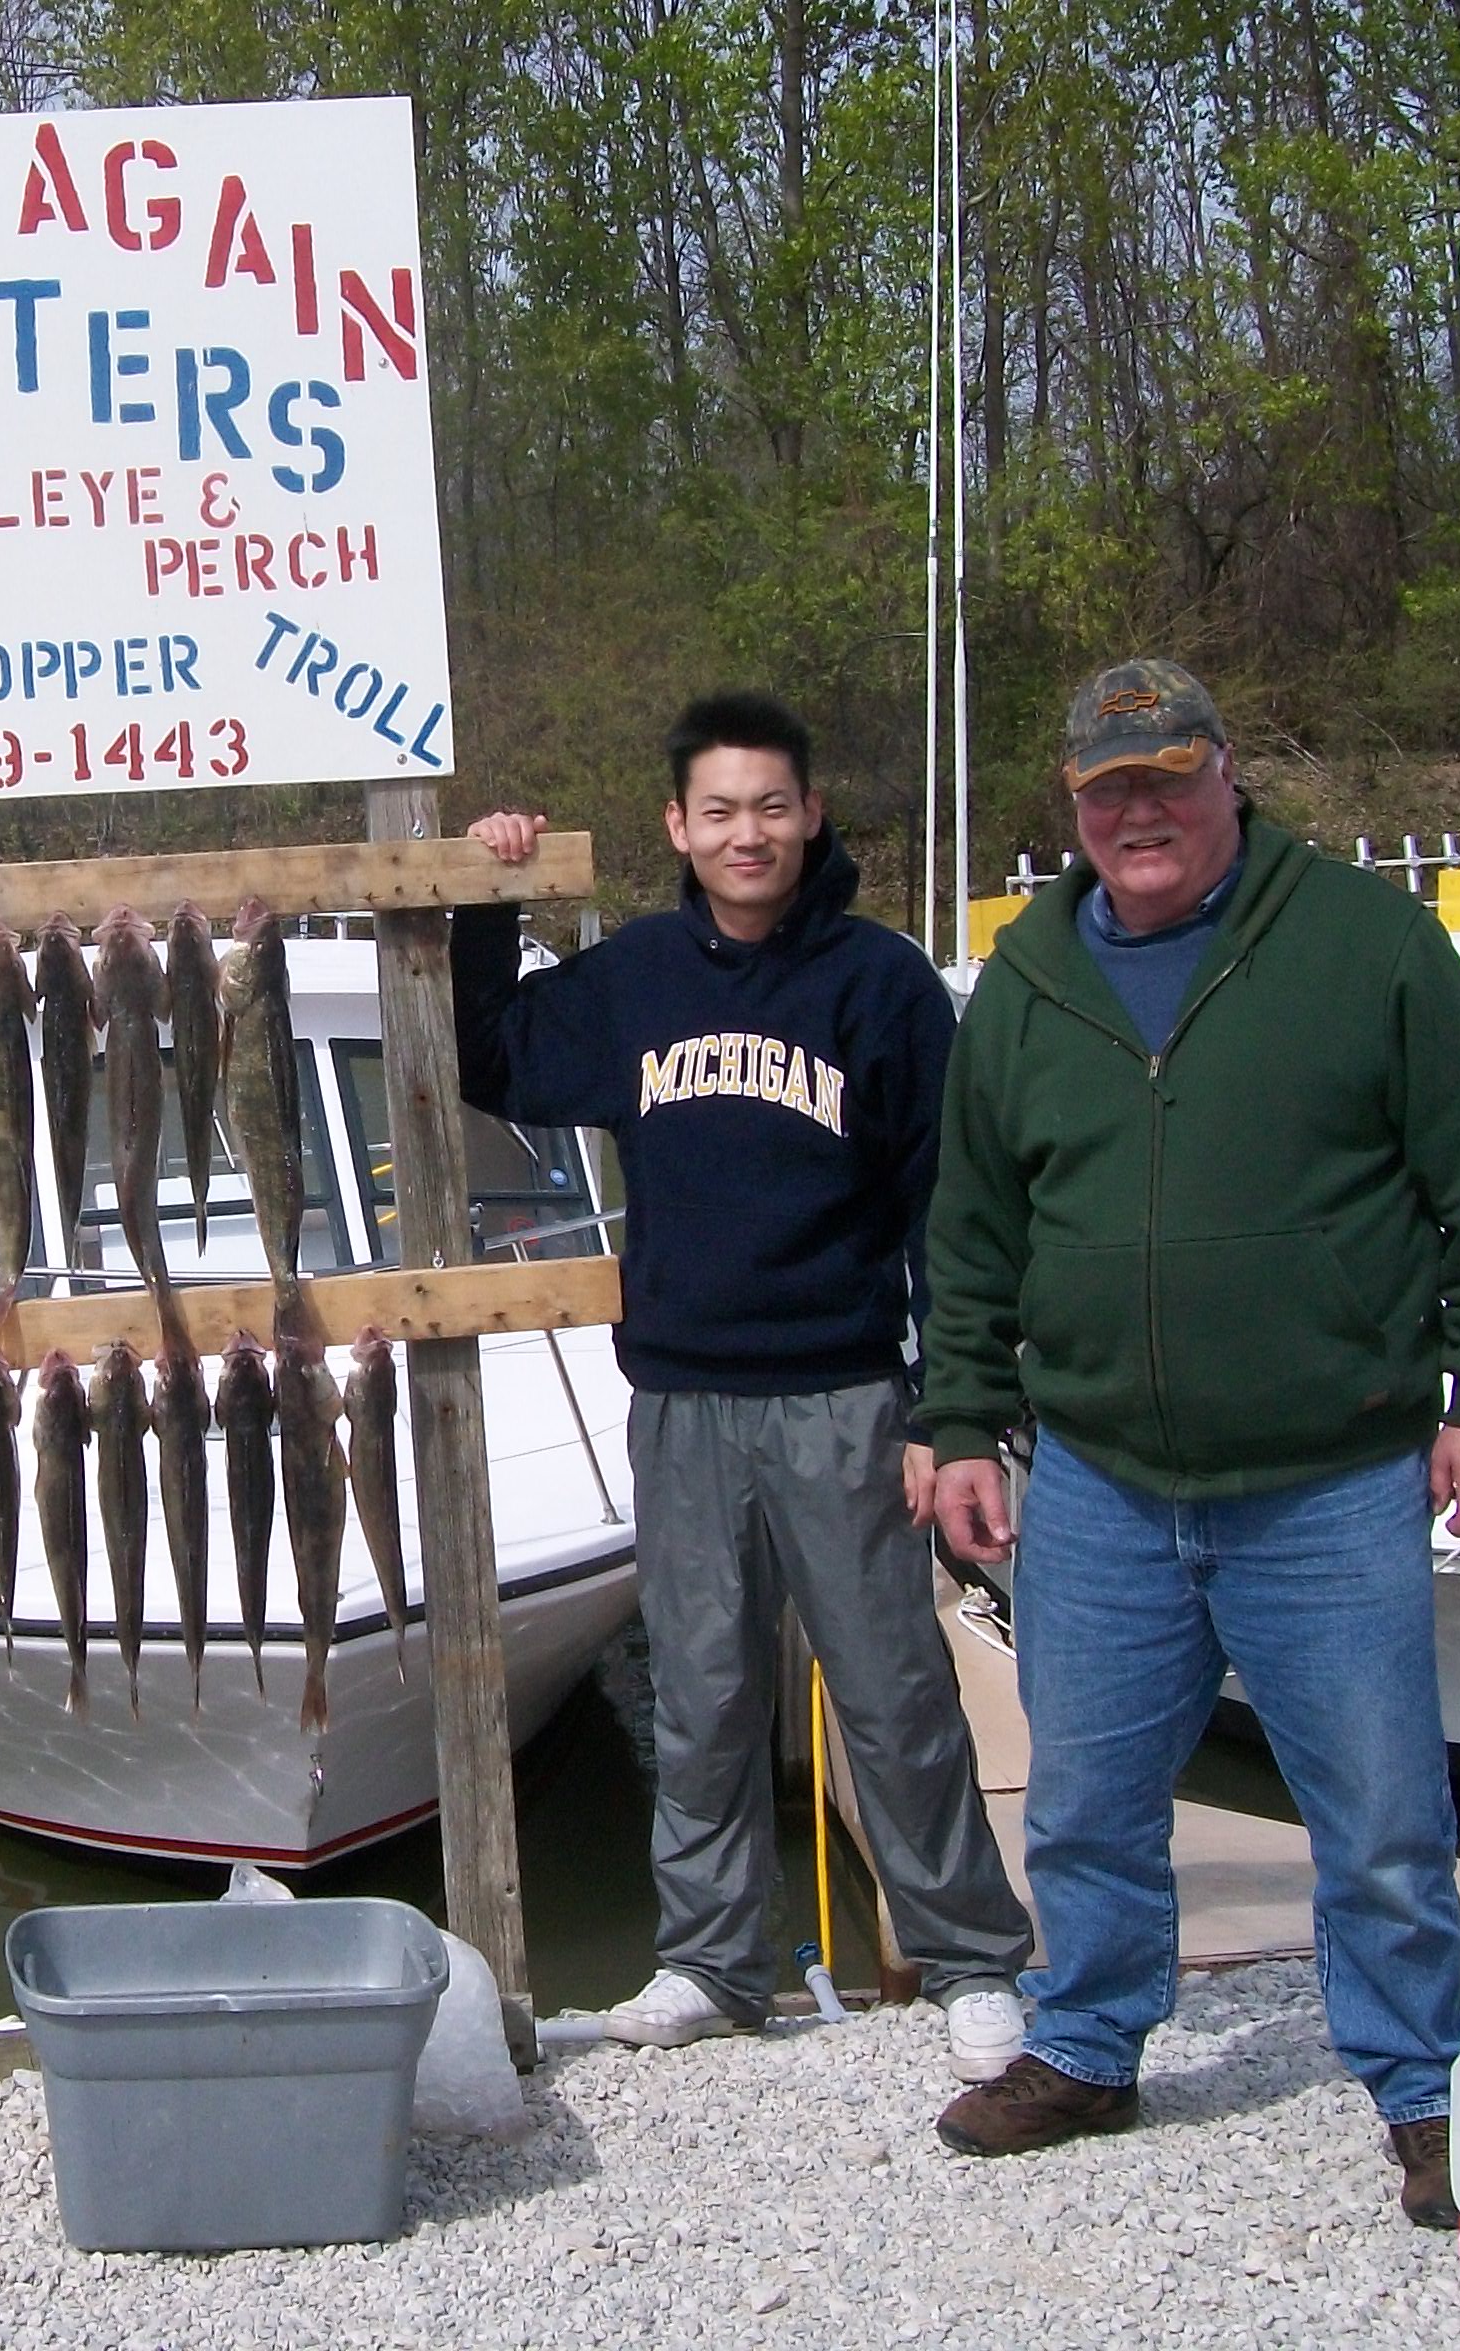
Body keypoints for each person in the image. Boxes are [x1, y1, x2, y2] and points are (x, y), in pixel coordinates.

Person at [918, 661, 1460, 2227]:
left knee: (1384, 1807)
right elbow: (975, 1230)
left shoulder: (1366, 942)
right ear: (1074, 807)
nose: (1140, 813)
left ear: (1228, 781)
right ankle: (1087, 2041)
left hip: (1332, 1475)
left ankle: (1420, 2076)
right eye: (1107, 790)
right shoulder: (1027, 978)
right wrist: (959, 1425)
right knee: (1081, 1798)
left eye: (1169, 779)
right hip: (1100, 1477)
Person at [457, 692, 1035, 2078]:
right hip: (682, 1403)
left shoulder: (882, 985)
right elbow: (494, 1058)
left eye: (771, 806)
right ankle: (709, 1962)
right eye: (718, 810)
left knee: (894, 1688)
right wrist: (489, 894)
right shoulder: (638, 975)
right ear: (678, 826)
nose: (747, 832)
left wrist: (949, 1412)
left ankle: (969, 1959)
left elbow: (947, 1210)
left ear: (811, 815)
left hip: (847, 1398)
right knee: (702, 1694)